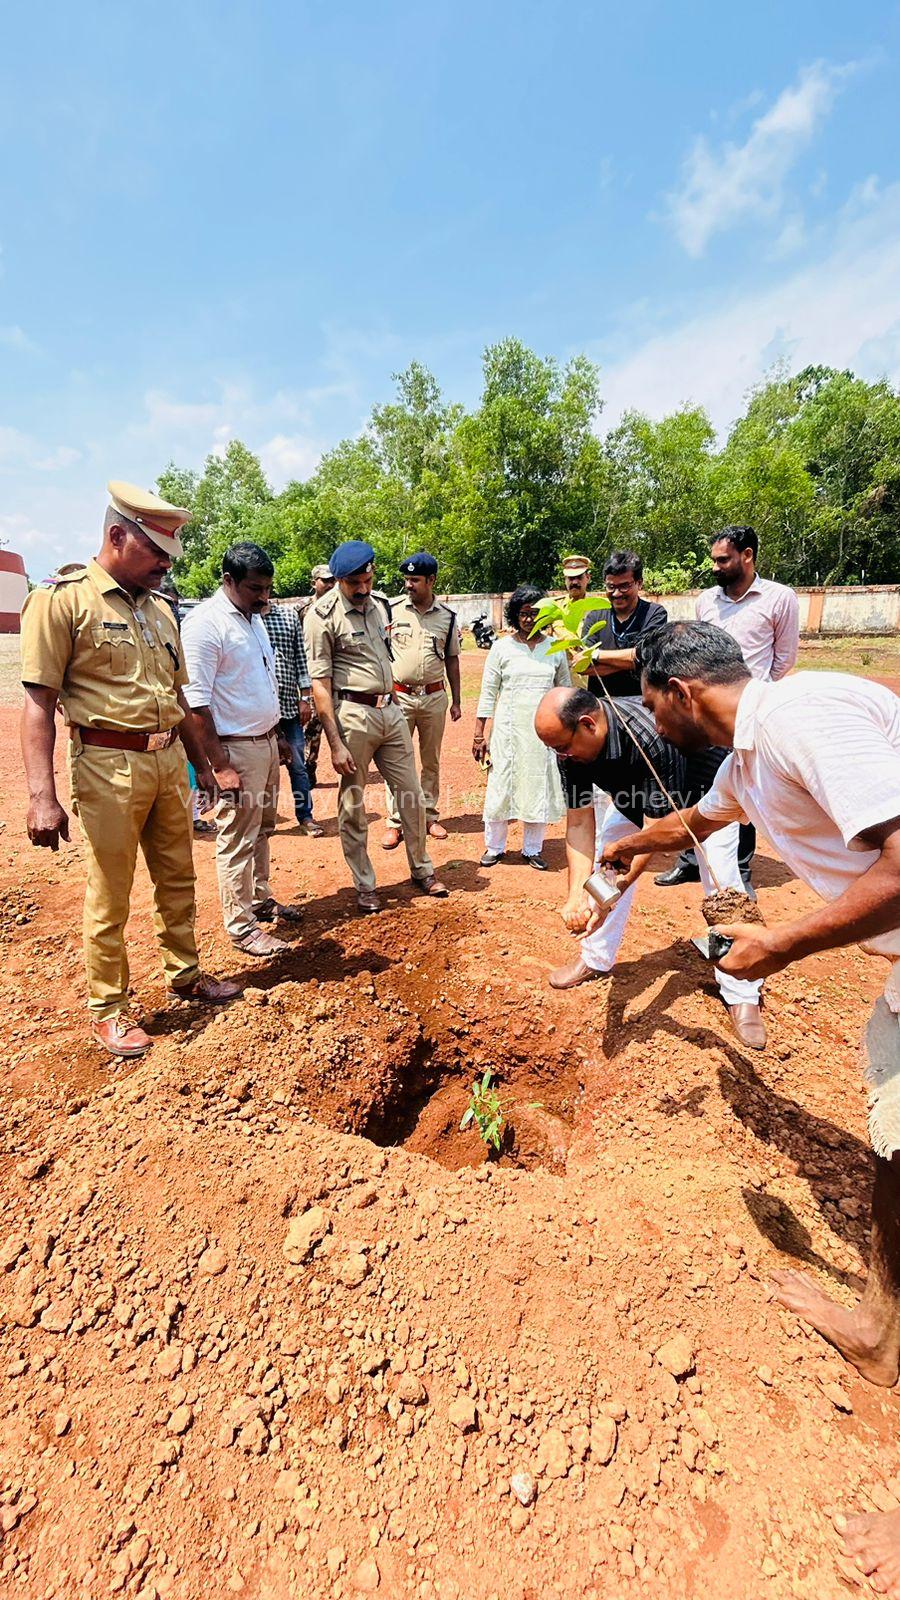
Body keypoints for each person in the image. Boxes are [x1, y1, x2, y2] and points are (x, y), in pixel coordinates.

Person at [598, 620, 900, 1591]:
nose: (652, 724)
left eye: (651, 706)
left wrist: (779, 947)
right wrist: (626, 853)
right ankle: (882, 1331)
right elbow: (699, 822)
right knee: (891, 1159)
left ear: (685, 691)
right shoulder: (752, 755)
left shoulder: (805, 716)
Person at [19, 481, 240, 1058]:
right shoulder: (62, 600)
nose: (166, 566)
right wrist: (42, 797)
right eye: (157, 553)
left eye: (170, 556)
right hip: (107, 765)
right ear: (117, 536)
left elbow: (180, 699)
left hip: (167, 762)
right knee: (110, 893)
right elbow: (38, 702)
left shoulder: (161, 610)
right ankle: (109, 1010)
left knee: (177, 877)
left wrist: (206, 767)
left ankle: (186, 974)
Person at [534, 686, 766, 1043]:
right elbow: (579, 822)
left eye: (562, 748)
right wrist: (577, 897)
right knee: (603, 858)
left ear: (587, 725)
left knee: (723, 885)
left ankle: (742, 993)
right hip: (634, 798)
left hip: (705, 798)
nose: (560, 757)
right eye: (554, 751)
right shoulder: (570, 750)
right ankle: (595, 957)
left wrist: (620, 881)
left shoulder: (648, 734)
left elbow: (660, 830)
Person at [304, 540, 448, 913]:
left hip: (390, 711)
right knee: (353, 802)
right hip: (353, 716)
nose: (363, 589)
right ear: (339, 580)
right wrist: (334, 742)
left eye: (367, 579)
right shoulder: (321, 616)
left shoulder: (381, 604)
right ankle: (365, 884)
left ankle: (422, 868)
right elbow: (320, 684)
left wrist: (395, 702)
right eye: (355, 583)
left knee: (412, 794)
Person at [656, 525, 799, 891]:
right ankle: (689, 859)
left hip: (749, 714)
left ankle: (739, 869)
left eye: (723, 560)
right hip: (705, 713)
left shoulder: (779, 599)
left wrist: (755, 691)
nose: (716, 567)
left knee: (743, 791)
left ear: (747, 555)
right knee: (695, 784)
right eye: (714, 560)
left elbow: (783, 659)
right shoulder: (707, 601)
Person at [182, 542, 303, 957]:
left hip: (265, 743)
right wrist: (219, 766)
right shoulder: (205, 625)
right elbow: (195, 704)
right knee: (237, 837)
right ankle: (241, 926)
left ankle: (258, 899)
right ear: (228, 581)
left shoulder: (253, 618)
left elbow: (259, 681)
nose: (264, 597)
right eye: (255, 588)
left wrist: (278, 735)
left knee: (263, 829)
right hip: (234, 750)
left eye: (268, 588)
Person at [473, 586, 571, 871]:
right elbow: (488, 693)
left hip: (544, 732)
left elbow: (564, 692)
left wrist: (566, 736)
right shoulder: (501, 647)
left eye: (535, 613)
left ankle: (532, 849)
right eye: (523, 614)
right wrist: (479, 733)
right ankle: (495, 847)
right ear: (514, 616)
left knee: (537, 784)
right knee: (501, 785)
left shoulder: (555, 649)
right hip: (507, 730)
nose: (529, 619)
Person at [382, 551, 462, 849]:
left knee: (431, 760)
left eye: (415, 580)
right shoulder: (390, 611)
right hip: (399, 698)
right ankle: (396, 821)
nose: (408, 585)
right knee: (396, 760)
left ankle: (429, 815)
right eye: (406, 579)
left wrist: (456, 701)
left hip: (433, 698)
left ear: (431, 581)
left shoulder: (448, 618)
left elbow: (452, 659)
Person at [262, 598, 323, 838]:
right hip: (258, 713)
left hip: (288, 707)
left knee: (298, 764)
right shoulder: (245, 619)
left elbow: (301, 659)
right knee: (263, 769)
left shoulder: (288, 616)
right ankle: (263, 823)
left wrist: (305, 698)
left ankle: (305, 816)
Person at [583, 550, 668, 700]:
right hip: (602, 705)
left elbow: (647, 657)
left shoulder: (654, 614)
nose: (616, 593)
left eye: (624, 586)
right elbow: (584, 666)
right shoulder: (595, 617)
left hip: (641, 704)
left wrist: (597, 655)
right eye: (610, 586)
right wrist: (633, 661)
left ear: (639, 583)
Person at [299, 563, 336, 788]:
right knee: (312, 724)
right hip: (311, 674)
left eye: (333, 580)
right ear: (314, 583)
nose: (330, 584)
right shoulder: (303, 609)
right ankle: (308, 766)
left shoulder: (340, 606)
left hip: (335, 673)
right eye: (325, 580)